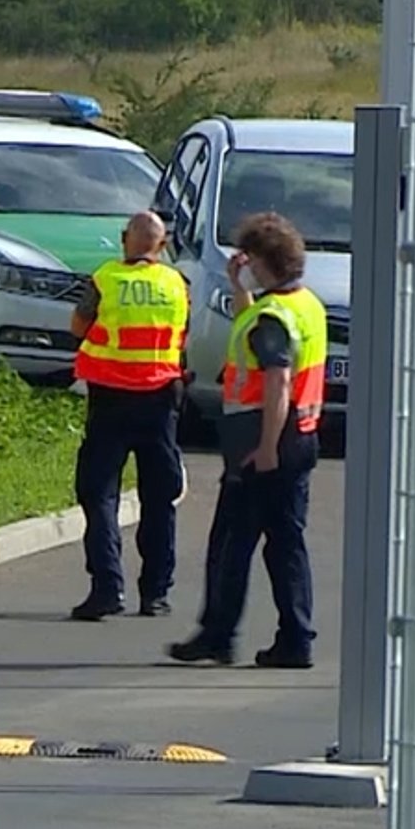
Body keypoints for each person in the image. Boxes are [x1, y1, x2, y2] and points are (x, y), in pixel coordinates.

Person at [168, 211, 327, 668]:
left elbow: (276, 381)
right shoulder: (303, 305)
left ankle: (218, 634)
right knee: (285, 544)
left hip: (264, 442)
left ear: (263, 260)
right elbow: (254, 325)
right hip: (302, 436)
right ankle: (295, 638)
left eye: (250, 260)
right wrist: (240, 286)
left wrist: (266, 448)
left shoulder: (274, 318)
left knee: (231, 543)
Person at [67, 211, 192, 621]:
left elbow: (78, 326)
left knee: (99, 493)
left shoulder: (105, 279)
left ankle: (106, 588)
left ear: (125, 239)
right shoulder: (177, 284)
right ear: (162, 244)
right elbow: (183, 334)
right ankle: (155, 594)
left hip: (110, 399)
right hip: (160, 400)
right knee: (160, 499)